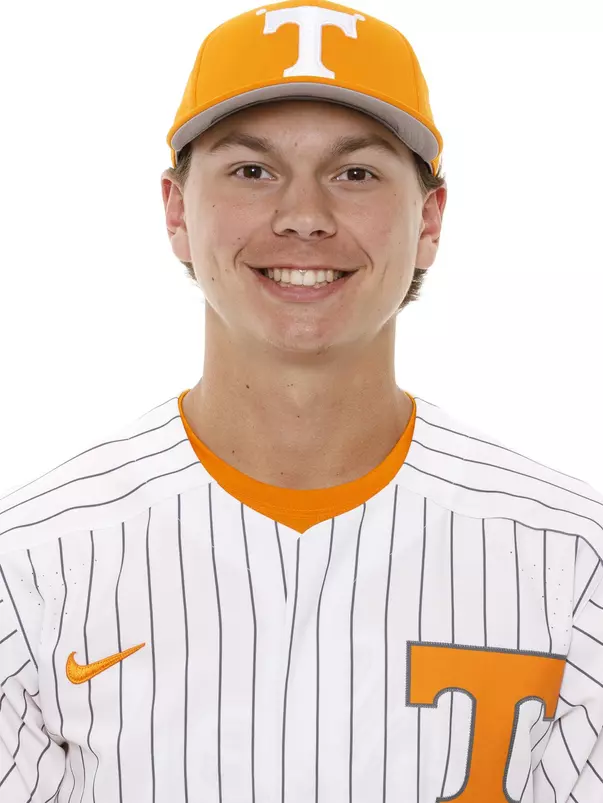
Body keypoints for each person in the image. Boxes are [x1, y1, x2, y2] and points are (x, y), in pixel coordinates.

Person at [1, 0, 602, 800]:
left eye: (354, 173)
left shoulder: (572, 563)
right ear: (177, 211)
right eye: (252, 170)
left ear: (428, 220)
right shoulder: (32, 565)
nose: (304, 218)